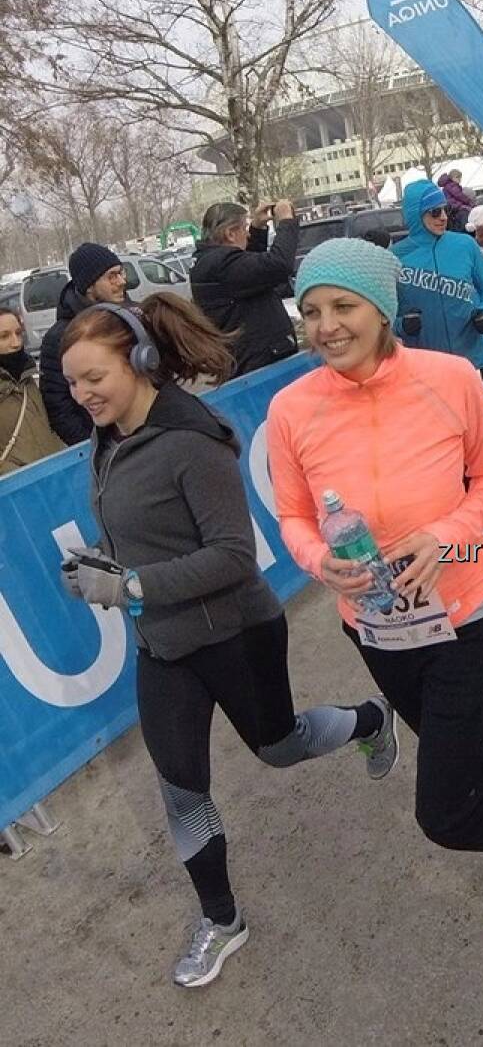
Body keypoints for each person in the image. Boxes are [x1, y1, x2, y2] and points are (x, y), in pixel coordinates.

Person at [57, 294, 394, 986]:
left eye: (94, 377)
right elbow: (142, 535)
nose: (81, 393)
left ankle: (369, 719)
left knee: (280, 747)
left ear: (141, 362)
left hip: (238, 633)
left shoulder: (190, 441)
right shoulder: (109, 439)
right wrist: (100, 560)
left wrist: (132, 586)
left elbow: (235, 555)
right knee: (181, 787)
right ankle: (221, 919)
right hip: (165, 648)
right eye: (70, 383)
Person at [266, 238, 483, 936]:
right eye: (311, 311)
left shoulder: (450, 378)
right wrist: (319, 560)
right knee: (449, 742)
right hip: (374, 624)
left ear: (380, 308)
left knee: (443, 811)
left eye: (343, 305)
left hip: (465, 614)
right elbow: (291, 513)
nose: (326, 326)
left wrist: (447, 537)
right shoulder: (290, 408)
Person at [392, 180, 483, 379]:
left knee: (474, 411)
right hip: (424, 366)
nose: (443, 217)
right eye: (434, 212)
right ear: (416, 214)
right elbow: (380, 315)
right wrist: (401, 325)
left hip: (469, 359)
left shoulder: (465, 244)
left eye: (445, 210)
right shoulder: (394, 257)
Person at [190, 200, 300, 377]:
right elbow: (278, 265)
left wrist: (257, 228)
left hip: (247, 359)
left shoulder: (207, 260)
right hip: (261, 364)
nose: (247, 235)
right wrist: (286, 220)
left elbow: (252, 275)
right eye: (244, 229)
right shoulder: (223, 264)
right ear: (230, 233)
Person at [40, 242, 131, 443]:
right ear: (90, 286)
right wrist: (97, 446)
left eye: (121, 273)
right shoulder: (60, 338)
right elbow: (59, 408)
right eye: (112, 276)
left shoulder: (131, 317)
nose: (122, 281)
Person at [0, 308, 64, 472]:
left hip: (53, 476)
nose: (16, 343)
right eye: (4, 336)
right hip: (16, 487)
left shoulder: (27, 378)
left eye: (18, 333)